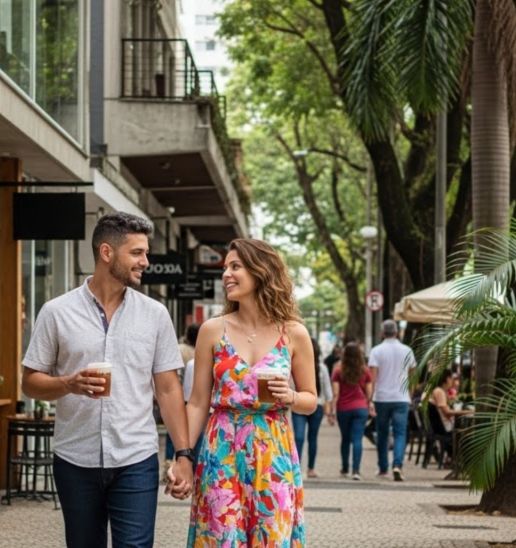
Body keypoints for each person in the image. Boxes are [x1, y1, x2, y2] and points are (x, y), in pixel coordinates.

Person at [21, 212, 193, 548]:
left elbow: (169, 388)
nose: (145, 261)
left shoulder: (155, 315)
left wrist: (184, 454)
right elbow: (29, 382)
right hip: (75, 459)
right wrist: (68, 384)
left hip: (136, 458)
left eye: (146, 253)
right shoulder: (57, 312)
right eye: (137, 253)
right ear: (106, 252)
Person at [186, 238, 316, 546]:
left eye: (235, 267)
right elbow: (197, 403)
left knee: (272, 537)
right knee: (221, 538)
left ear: (261, 272)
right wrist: (182, 455)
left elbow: (311, 400)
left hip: (274, 450)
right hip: (221, 449)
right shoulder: (212, 330)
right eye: (224, 268)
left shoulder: (294, 332)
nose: (226, 275)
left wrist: (292, 397)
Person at [369, 319, 417, 481]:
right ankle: (397, 465)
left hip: (381, 398)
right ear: (397, 332)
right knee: (400, 433)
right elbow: (413, 376)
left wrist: (370, 398)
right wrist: (410, 393)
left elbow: (373, 378)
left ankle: (383, 468)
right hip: (401, 398)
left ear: (383, 333)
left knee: (382, 434)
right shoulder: (407, 351)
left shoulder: (376, 351)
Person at [331, 342, 374, 480]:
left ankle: (345, 468)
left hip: (343, 409)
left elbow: (335, 394)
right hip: (361, 408)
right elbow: (369, 393)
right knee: (357, 439)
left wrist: (331, 411)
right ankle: (356, 470)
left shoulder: (338, 371)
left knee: (345, 438)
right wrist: (368, 403)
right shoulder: (365, 371)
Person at [292, 336, 333, 478]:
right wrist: (329, 411)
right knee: (312, 437)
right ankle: (311, 468)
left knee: (299, 437)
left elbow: (291, 386)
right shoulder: (322, 368)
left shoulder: (295, 365)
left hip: (298, 404)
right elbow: (328, 392)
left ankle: (295, 468)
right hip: (318, 406)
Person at [166, 323, 200, 473]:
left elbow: (177, 375)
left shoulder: (182, 351)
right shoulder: (199, 353)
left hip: (183, 396)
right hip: (191, 399)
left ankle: (169, 460)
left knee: (172, 430)